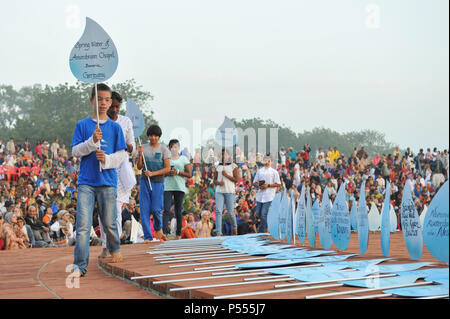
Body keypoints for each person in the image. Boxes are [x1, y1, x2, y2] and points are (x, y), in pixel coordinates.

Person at [71, 83, 128, 277]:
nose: (103, 103)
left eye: (106, 99)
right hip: (86, 181)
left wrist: (108, 160)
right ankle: (79, 265)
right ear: (91, 100)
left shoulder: (115, 128)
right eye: (99, 99)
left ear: (110, 101)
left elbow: (121, 154)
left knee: (109, 222)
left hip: (107, 181)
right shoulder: (83, 125)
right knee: (83, 226)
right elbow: (75, 151)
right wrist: (91, 142)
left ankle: (115, 248)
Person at [98, 91, 137, 258]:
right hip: (104, 167)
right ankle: (105, 245)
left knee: (116, 211)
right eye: (111, 106)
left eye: (117, 107)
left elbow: (133, 149)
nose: (114, 110)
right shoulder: (98, 122)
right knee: (103, 209)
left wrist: (125, 144)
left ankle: (114, 246)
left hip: (120, 170)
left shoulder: (125, 121)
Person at [136, 124, 171, 242]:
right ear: (148, 136)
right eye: (151, 135)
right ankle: (148, 236)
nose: (153, 138)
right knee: (144, 209)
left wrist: (153, 174)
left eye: (156, 136)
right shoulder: (143, 147)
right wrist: (140, 154)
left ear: (159, 137)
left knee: (156, 209)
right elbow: (139, 166)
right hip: (144, 181)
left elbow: (167, 169)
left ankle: (158, 230)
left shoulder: (164, 149)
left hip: (158, 182)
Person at [163, 139, 192, 239]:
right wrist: (168, 173)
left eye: (175, 146)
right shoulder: (167, 158)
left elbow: (189, 174)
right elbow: (163, 172)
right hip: (168, 186)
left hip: (179, 187)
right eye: (171, 147)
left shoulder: (183, 159)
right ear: (169, 148)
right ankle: (164, 232)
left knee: (178, 210)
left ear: (178, 148)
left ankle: (178, 233)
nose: (173, 149)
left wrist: (178, 172)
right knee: (166, 209)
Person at [214, 148, 239, 236]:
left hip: (229, 191)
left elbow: (236, 179)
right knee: (218, 211)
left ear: (229, 156)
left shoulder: (233, 166)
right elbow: (214, 180)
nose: (223, 156)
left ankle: (235, 227)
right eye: (222, 154)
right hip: (219, 191)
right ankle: (218, 232)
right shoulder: (218, 166)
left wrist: (226, 175)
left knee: (230, 211)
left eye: (225, 154)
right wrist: (218, 183)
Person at [252, 154, 281, 233]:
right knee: (258, 213)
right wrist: (259, 185)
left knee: (263, 213)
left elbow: (278, 184)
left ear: (271, 162)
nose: (267, 162)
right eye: (266, 161)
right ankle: (267, 227)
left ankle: (262, 232)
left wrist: (268, 185)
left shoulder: (274, 172)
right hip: (260, 195)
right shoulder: (260, 171)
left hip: (269, 196)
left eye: (269, 161)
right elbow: (254, 182)